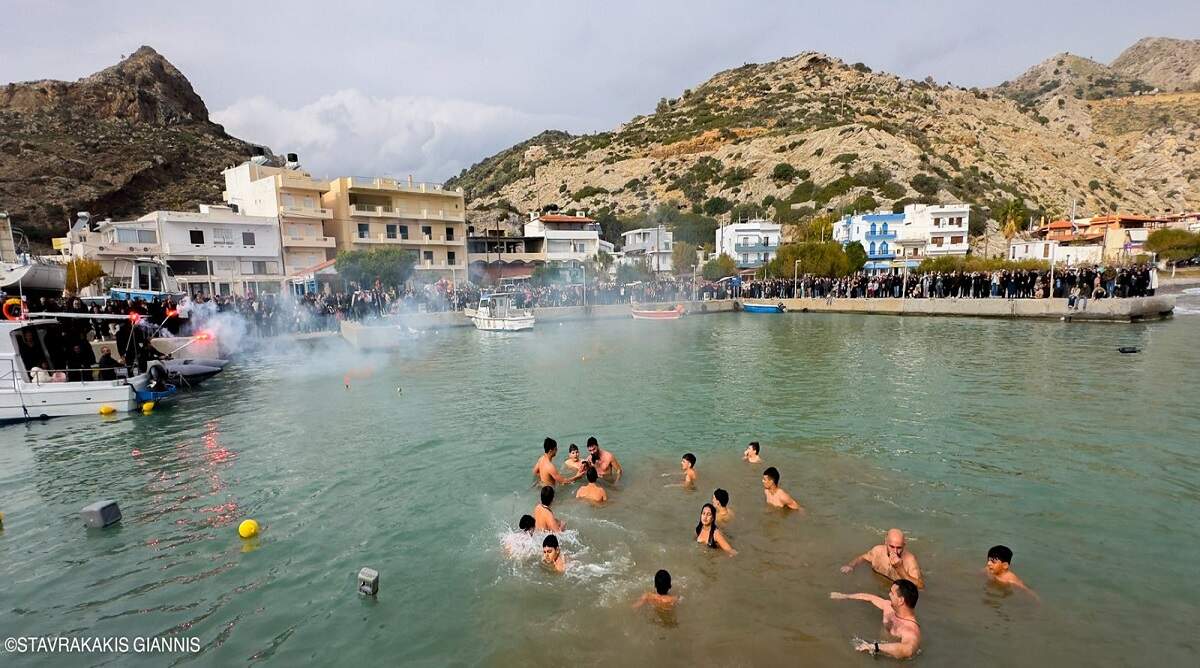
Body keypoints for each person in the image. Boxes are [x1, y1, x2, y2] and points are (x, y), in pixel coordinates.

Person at [829, 579, 921, 659]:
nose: (889, 594)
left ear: (901, 601)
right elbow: (870, 598)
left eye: (892, 593)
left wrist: (875, 647)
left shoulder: (910, 629)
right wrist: (845, 596)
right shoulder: (889, 607)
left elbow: (908, 650)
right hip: (878, 648)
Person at [840, 528, 924, 589]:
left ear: (904, 545)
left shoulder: (910, 560)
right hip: (878, 585)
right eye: (892, 546)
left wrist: (900, 569)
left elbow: (920, 586)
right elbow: (863, 557)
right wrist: (851, 565)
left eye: (899, 548)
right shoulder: (877, 551)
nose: (895, 551)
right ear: (885, 542)